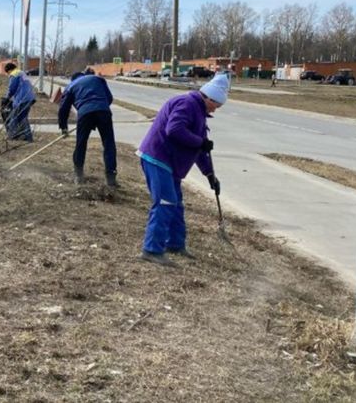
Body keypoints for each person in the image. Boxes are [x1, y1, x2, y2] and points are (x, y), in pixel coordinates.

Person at [138, 73, 229, 266]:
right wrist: (200, 141)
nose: (216, 109)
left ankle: (175, 244)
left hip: (170, 164)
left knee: (176, 204)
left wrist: (210, 174)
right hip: (158, 158)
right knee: (166, 202)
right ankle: (152, 249)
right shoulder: (186, 103)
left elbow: (199, 149)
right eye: (217, 105)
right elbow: (174, 130)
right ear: (210, 98)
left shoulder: (200, 112)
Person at [58, 71, 118, 186]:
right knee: (109, 144)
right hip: (104, 112)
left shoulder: (71, 86)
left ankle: (78, 176)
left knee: (81, 144)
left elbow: (63, 108)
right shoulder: (97, 79)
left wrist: (63, 127)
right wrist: (99, 108)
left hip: (85, 113)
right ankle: (111, 178)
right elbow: (109, 98)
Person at [2, 62, 35, 142]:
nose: (8, 74)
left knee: (15, 117)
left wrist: (7, 98)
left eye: (7, 73)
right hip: (30, 97)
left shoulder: (14, 74)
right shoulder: (21, 72)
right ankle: (25, 136)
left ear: (9, 70)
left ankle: (12, 136)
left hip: (22, 99)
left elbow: (11, 88)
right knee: (22, 117)